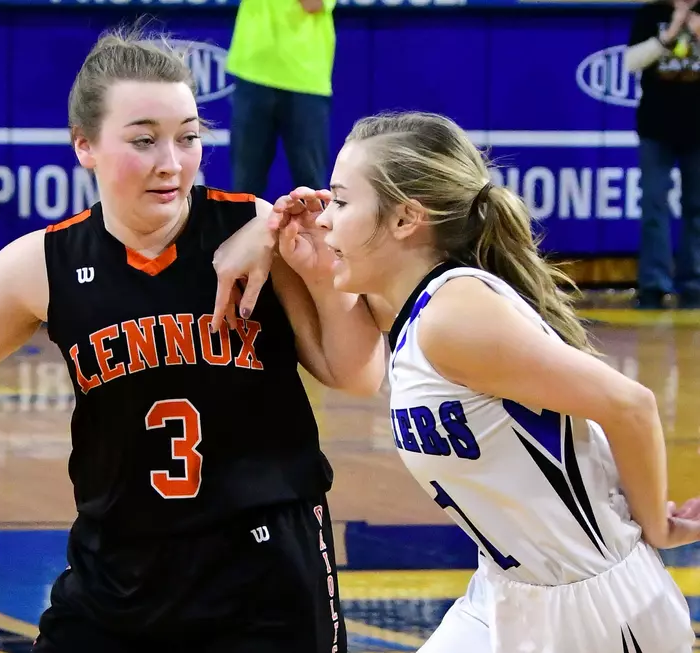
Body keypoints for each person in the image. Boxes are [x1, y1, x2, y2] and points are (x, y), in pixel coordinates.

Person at [0, 27, 386, 653]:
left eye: (189, 138)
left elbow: (355, 373)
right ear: (84, 145)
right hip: (118, 573)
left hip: (265, 572)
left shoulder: (256, 230)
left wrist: (319, 272)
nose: (172, 162)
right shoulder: (44, 263)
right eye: (143, 140)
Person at [254, 111, 698, 651]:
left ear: (404, 219)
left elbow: (630, 404)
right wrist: (314, 268)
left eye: (342, 201)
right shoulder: (410, 304)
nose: (325, 217)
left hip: (598, 610)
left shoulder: (453, 315)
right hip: (508, 592)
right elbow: (354, 373)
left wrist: (660, 527)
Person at [626, 0, 700, 309]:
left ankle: (693, 284)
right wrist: (668, 33)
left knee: (697, 209)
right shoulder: (650, 14)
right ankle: (653, 285)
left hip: (698, 130)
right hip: (656, 128)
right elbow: (631, 63)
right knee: (653, 206)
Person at [225, 0, 335, 198]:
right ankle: (245, 230)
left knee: (311, 187)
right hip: (252, 70)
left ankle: (313, 230)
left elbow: (313, 3)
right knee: (244, 188)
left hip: (305, 78)